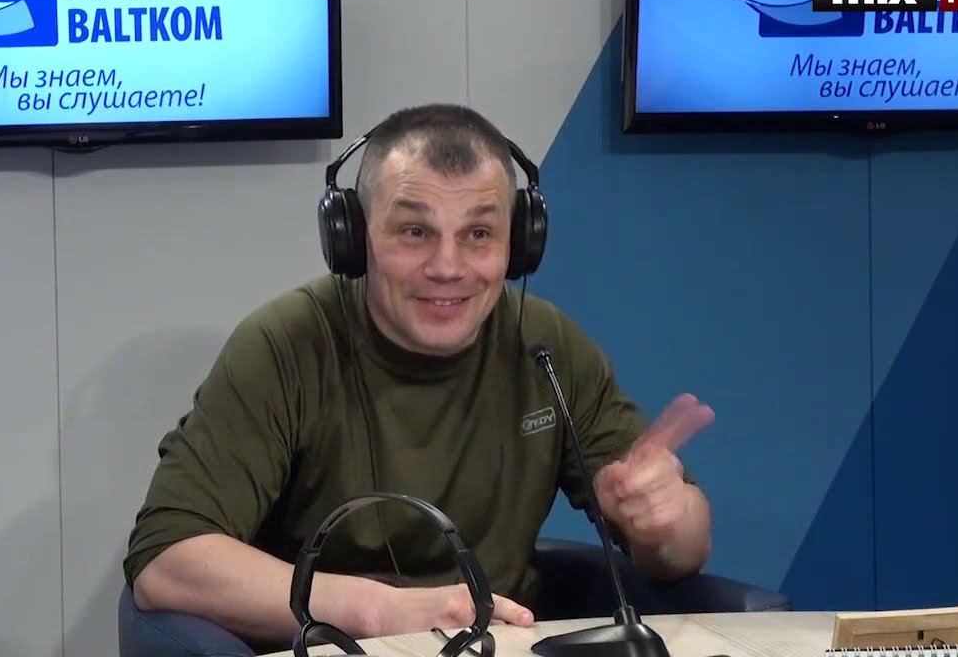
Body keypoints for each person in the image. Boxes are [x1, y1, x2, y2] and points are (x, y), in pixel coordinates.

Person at [123, 103, 714, 649]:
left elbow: (682, 554)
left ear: (518, 244)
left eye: (478, 234)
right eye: (414, 232)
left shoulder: (545, 345)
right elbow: (166, 561)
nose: (447, 267)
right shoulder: (285, 345)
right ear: (353, 238)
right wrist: (377, 611)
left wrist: (666, 522)